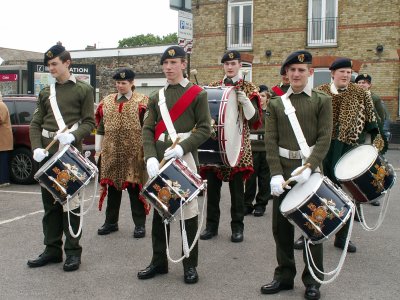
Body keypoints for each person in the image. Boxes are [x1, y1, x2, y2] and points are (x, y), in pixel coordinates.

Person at [261, 50, 332, 300]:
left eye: (301, 70)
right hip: (284, 174)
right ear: (286, 73)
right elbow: (271, 141)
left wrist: (310, 166)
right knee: (281, 228)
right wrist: (275, 174)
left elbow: (325, 138)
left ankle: (313, 281)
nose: (296, 74)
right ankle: (284, 276)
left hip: (309, 173)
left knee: (313, 226)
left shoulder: (322, 101)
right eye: (292, 70)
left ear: (310, 73)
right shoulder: (276, 103)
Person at [138, 45, 211, 284]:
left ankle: (190, 264)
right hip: (159, 157)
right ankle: (159, 261)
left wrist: (183, 147)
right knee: (161, 211)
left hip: (184, 156)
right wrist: (149, 155)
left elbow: (204, 128)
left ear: (183, 65)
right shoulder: (155, 97)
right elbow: (147, 129)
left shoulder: (197, 93)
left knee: (188, 214)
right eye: (165, 64)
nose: (168, 67)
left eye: (173, 63)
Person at [294, 58, 383, 253]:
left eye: (349, 72)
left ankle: (342, 237)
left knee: (347, 196)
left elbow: (373, 125)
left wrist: (374, 150)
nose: (346, 75)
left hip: (349, 150)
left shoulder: (361, 93)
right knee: (317, 193)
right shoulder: (320, 92)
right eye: (342, 71)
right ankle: (310, 234)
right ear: (332, 73)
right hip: (323, 149)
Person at [28, 44, 95, 271]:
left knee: (70, 204)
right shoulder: (46, 91)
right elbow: (36, 123)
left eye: (54, 64)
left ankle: (73, 251)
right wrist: (37, 147)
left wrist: (74, 135)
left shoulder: (83, 90)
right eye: (49, 65)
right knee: (50, 205)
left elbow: (89, 122)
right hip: (47, 152)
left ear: (67, 63)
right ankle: (52, 249)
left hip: (68, 153)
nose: (51, 68)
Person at [200, 50, 262, 242]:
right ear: (223, 66)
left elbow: (254, 120)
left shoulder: (249, 88)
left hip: (238, 145)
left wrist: (245, 100)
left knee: (237, 191)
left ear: (239, 66)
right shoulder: (214, 87)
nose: (229, 67)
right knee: (213, 191)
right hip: (216, 143)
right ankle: (211, 226)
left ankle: (237, 228)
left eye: (233, 63)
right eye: (226, 64)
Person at [95, 68, 149, 238]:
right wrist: (98, 149)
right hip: (111, 152)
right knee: (113, 189)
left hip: (134, 153)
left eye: (123, 83)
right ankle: (111, 222)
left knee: (135, 190)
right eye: (117, 83)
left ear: (132, 83)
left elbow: (148, 128)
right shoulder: (108, 101)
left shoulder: (142, 102)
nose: (120, 86)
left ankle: (139, 225)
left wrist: (148, 152)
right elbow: (101, 127)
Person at [355, 73, 388, 206]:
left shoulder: (374, 97)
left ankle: (375, 194)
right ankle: (359, 194)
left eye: (365, 82)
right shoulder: (353, 97)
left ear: (369, 85)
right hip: (356, 137)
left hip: (369, 136)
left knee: (372, 166)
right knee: (357, 167)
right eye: (360, 82)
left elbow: (382, 117)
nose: (362, 84)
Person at [244, 85, 272, 217]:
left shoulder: (271, 112)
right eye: (258, 96)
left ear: (268, 98)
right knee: (250, 178)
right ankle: (247, 204)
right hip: (253, 147)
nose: (260, 98)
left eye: (263, 96)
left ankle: (261, 204)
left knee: (264, 178)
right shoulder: (252, 112)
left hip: (266, 148)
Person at [0, 92, 13, 187]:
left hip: (3, 139)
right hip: (3, 139)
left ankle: (4, 180)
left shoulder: (0, 105)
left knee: (3, 161)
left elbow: (1, 119)